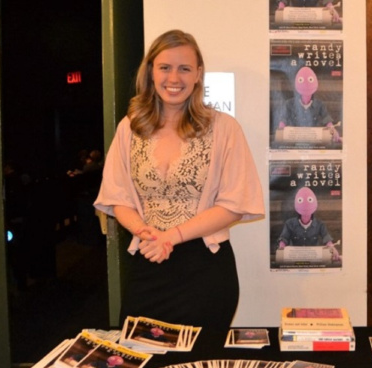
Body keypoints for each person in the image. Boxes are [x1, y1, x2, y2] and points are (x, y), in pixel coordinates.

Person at [94, 30, 264, 331]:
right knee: (141, 363)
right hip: (149, 261)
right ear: (150, 72)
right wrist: (144, 231)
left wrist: (171, 236)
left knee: (200, 367)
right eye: (165, 67)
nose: (175, 77)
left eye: (184, 68)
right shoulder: (129, 128)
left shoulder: (225, 129)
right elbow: (117, 197)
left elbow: (235, 204)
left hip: (205, 269)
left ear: (198, 74)